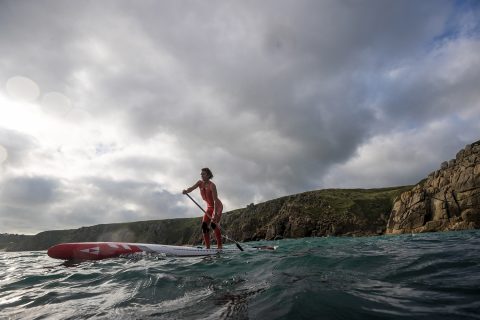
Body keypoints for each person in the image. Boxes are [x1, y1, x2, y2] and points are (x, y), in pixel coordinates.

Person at [183, 168, 223, 249]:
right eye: (201, 174)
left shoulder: (212, 185)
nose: (201, 175)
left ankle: (220, 247)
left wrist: (215, 214)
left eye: (203, 174)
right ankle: (207, 248)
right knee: (204, 226)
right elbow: (191, 188)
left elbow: (215, 201)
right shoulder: (199, 183)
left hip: (217, 207)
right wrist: (186, 191)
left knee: (213, 224)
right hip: (209, 207)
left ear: (208, 175)